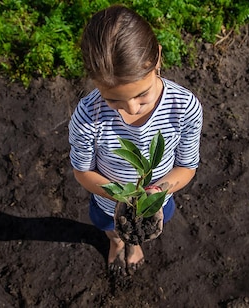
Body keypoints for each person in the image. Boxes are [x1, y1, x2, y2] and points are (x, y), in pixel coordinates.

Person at [68, 4, 203, 276]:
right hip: (108, 203)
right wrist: (123, 198)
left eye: (142, 94)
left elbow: (187, 167)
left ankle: (135, 244)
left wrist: (156, 193)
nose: (131, 108)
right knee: (113, 230)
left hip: (157, 202)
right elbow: (82, 171)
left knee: (139, 230)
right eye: (113, 99)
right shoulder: (87, 116)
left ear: (157, 60)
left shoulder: (184, 107)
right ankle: (117, 244)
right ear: (95, 81)